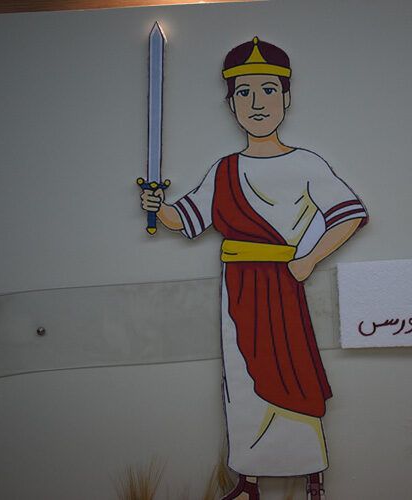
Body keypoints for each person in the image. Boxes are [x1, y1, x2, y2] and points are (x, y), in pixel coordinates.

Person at [140, 36, 368, 500]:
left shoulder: (306, 164)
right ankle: (249, 480)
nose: (257, 103)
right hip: (238, 286)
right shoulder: (224, 169)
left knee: (289, 372)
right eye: (244, 92)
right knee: (243, 379)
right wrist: (157, 206)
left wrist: (308, 261)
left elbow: (350, 214)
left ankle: (311, 477)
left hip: (282, 284)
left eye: (268, 90)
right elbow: (187, 219)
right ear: (231, 104)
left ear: (286, 97)